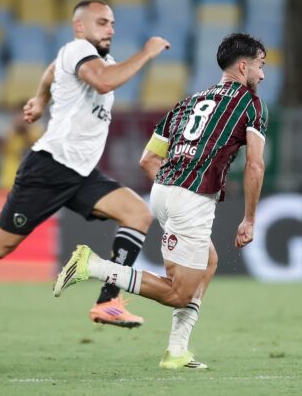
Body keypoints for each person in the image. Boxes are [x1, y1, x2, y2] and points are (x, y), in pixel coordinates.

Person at [0, 0, 171, 329]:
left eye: (112, 23)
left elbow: (52, 72)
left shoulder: (96, 59)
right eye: (102, 22)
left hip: (79, 173)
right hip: (49, 169)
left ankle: (108, 301)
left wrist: (40, 99)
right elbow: (105, 82)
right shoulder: (77, 49)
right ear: (80, 26)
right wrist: (147, 52)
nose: (111, 29)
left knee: (137, 213)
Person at [53, 33, 268, 370]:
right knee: (178, 293)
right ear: (244, 66)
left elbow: (147, 160)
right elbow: (255, 165)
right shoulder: (251, 105)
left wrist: (174, 187)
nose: (263, 74)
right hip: (190, 199)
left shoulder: (187, 102)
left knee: (207, 262)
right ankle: (92, 266)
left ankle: (177, 351)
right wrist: (249, 218)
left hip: (163, 191)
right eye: (260, 65)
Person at [0, 113, 44, 190]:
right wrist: (13, 133)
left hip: (32, 178)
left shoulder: (36, 129)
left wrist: (26, 133)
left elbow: (38, 149)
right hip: (9, 178)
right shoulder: (10, 130)